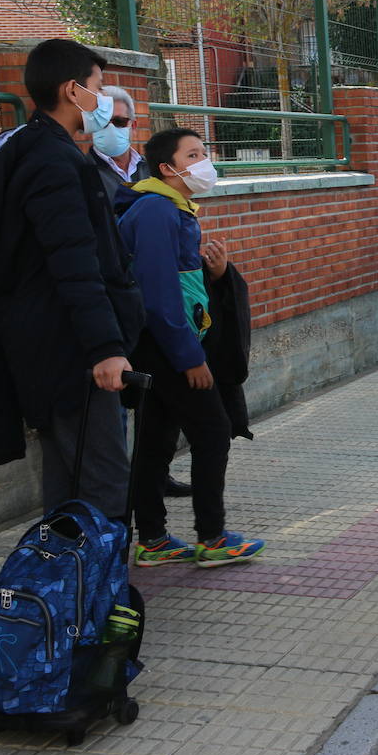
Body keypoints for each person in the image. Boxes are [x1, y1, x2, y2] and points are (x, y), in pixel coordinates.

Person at [0, 38, 145, 518]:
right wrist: (105, 348)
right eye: (99, 88)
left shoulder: (30, 151)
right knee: (103, 483)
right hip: (72, 354)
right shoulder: (53, 163)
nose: (104, 101)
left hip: (46, 350)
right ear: (72, 90)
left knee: (68, 480)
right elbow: (74, 262)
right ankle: (102, 591)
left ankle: (70, 588)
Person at [117, 127, 264, 567]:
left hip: (159, 345)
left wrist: (214, 275)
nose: (205, 162)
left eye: (205, 152)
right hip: (163, 348)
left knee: (156, 440)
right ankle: (212, 538)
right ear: (168, 169)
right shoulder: (156, 212)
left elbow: (177, 282)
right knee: (212, 431)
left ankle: (153, 540)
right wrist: (190, 358)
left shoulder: (169, 210)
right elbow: (161, 298)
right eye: (194, 154)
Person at [89, 86, 194, 500]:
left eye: (119, 122)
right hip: (111, 299)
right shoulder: (81, 168)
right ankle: (122, 495)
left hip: (145, 301)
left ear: (133, 124)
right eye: (103, 122)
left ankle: (153, 478)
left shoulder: (146, 171)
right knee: (116, 401)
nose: (111, 130)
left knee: (155, 406)